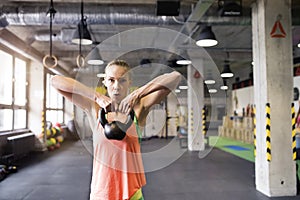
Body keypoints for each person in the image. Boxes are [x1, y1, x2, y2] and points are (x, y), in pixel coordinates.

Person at [51, 60, 181, 200]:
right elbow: (55, 81)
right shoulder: (94, 108)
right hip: (101, 194)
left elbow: (175, 77)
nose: (116, 86)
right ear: (105, 81)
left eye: (122, 80)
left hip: (132, 195)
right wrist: (97, 96)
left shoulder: (138, 109)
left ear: (129, 82)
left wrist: (137, 94)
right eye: (111, 80)